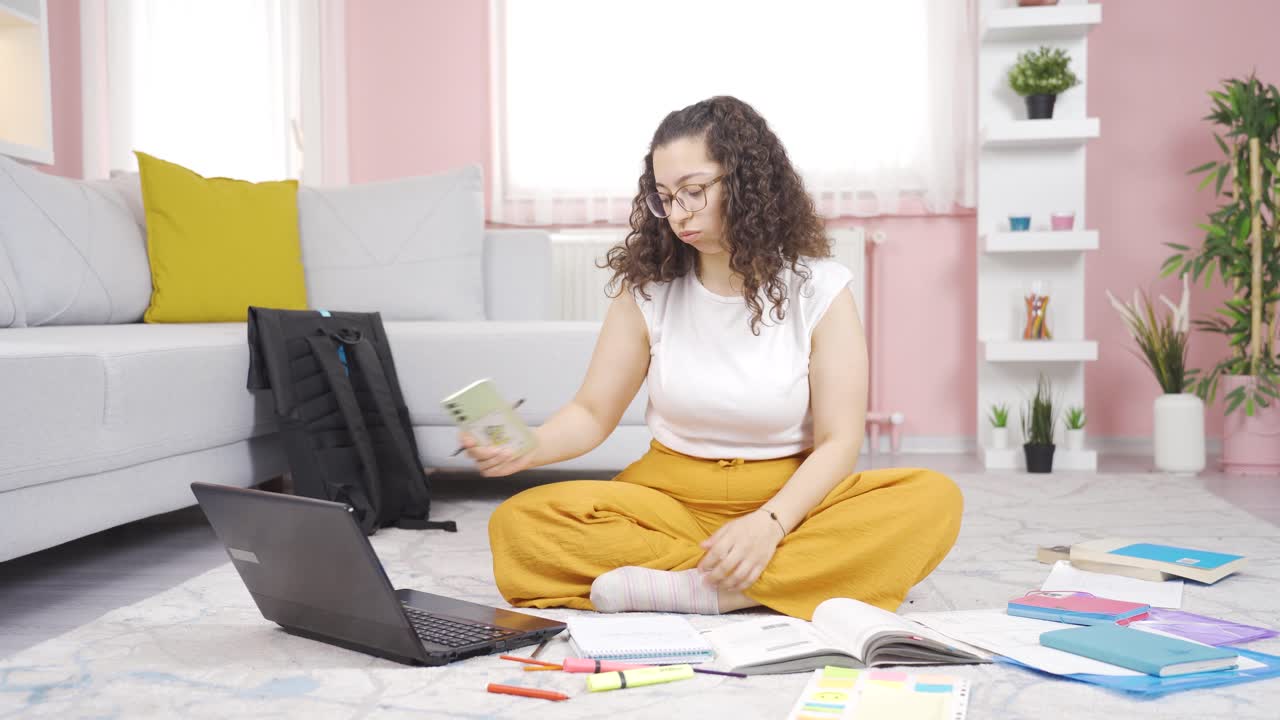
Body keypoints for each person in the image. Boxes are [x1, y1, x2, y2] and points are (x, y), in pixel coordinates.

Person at [463, 96, 962, 621]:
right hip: (668, 500)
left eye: (694, 192)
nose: (678, 213)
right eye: (664, 197)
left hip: (789, 499)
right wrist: (528, 447)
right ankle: (756, 583)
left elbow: (840, 442)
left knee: (932, 499)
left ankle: (703, 587)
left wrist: (769, 525)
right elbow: (592, 413)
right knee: (520, 524)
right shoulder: (647, 292)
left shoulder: (822, 290)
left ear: (747, 182)